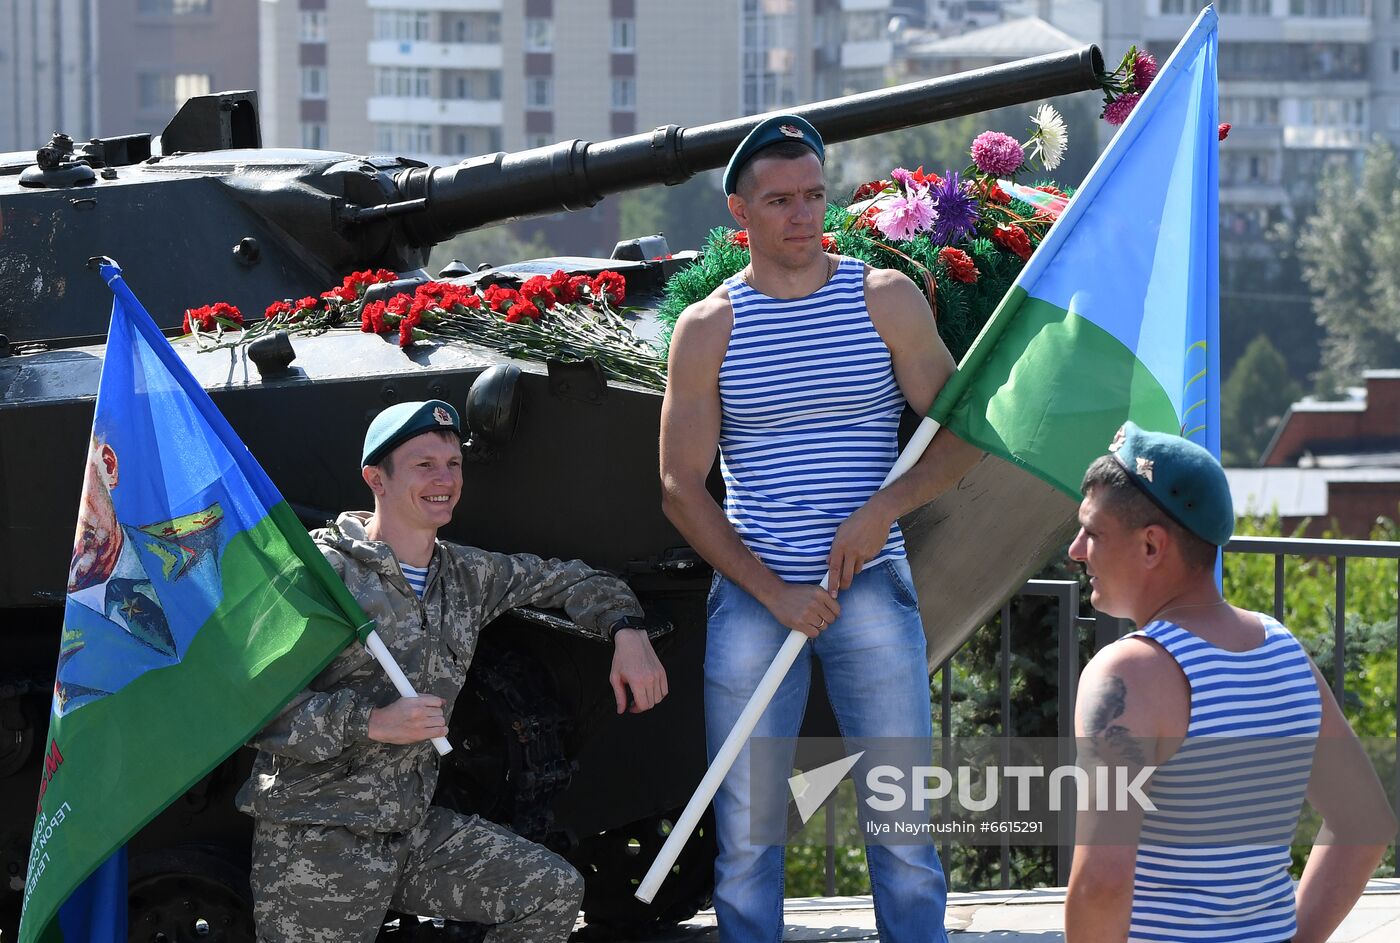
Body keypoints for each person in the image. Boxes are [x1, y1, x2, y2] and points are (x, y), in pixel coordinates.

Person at [659, 114, 982, 942]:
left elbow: (961, 434)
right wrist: (774, 591)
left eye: (813, 196)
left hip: (869, 583)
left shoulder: (886, 299)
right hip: (754, 592)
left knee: (903, 824)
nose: (802, 215)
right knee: (748, 833)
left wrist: (883, 508)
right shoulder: (709, 329)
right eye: (779, 201)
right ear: (741, 211)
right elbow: (679, 490)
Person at [236, 399, 668, 943]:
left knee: (549, 891)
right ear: (377, 479)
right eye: (424, 466)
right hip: (318, 837)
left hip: (410, 830)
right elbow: (251, 705)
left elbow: (571, 581)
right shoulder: (319, 574)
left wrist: (626, 630)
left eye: (453, 464)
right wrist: (371, 722)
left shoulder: (467, 575)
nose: (445, 479)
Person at [1065, 421, 1394, 943]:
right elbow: (1365, 824)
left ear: (1152, 546)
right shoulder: (1284, 652)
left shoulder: (1125, 673)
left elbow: (1101, 884)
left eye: (1093, 532)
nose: (1076, 550)